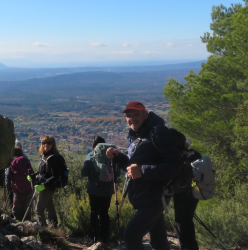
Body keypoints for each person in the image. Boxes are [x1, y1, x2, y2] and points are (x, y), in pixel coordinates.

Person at [106, 101, 181, 250]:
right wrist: (118, 157)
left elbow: (174, 167)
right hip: (145, 196)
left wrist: (143, 171)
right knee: (158, 240)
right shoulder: (136, 136)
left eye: (136, 115)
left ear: (146, 115)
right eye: (128, 116)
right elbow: (133, 168)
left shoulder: (158, 132)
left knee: (131, 235)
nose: (132, 119)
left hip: (156, 197)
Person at [81, 135, 116, 244]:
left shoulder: (91, 155)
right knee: (104, 213)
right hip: (108, 190)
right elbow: (117, 173)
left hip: (93, 189)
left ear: (94, 146)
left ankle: (93, 237)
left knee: (94, 212)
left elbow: (84, 172)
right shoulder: (111, 156)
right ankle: (105, 238)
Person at [173, 141, 202, 250]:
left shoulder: (178, 157)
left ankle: (185, 247)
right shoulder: (194, 154)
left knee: (180, 222)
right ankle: (193, 247)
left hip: (181, 192)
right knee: (188, 220)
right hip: (195, 191)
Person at [34, 135, 64, 228]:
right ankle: (54, 226)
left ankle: (42, 229)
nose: (46, 145)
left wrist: (43, 184)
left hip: (48, 186)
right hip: (47, 185)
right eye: (44, 143)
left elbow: (55, 176)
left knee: (38, 209)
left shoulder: (53, 158)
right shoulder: (46, 156)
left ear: (53, 144)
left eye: (48, 143)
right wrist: (34, 175)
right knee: (49, 206)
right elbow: (43, 172)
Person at [6, 146, 34, 221]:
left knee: (17, 211)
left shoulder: (13, 163)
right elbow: (32, 174)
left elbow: (8, 177)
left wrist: (8, 189)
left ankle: (18, 227)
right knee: (27, 211)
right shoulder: (26, 161)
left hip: (17, 190)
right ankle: (28, 227)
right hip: (28, 189)